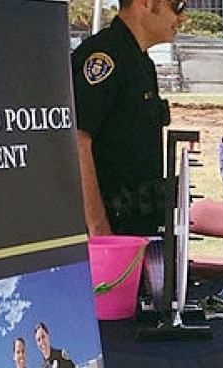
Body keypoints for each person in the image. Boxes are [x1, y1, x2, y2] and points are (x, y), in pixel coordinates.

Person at [71, 0, 186, 236]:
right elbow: (77, 139)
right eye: (176, 6)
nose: (181, 18)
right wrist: (98, 227)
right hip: (112, 229)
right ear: (145, 3)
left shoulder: (142, 63)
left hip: (139, 224)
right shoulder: (104, 57)